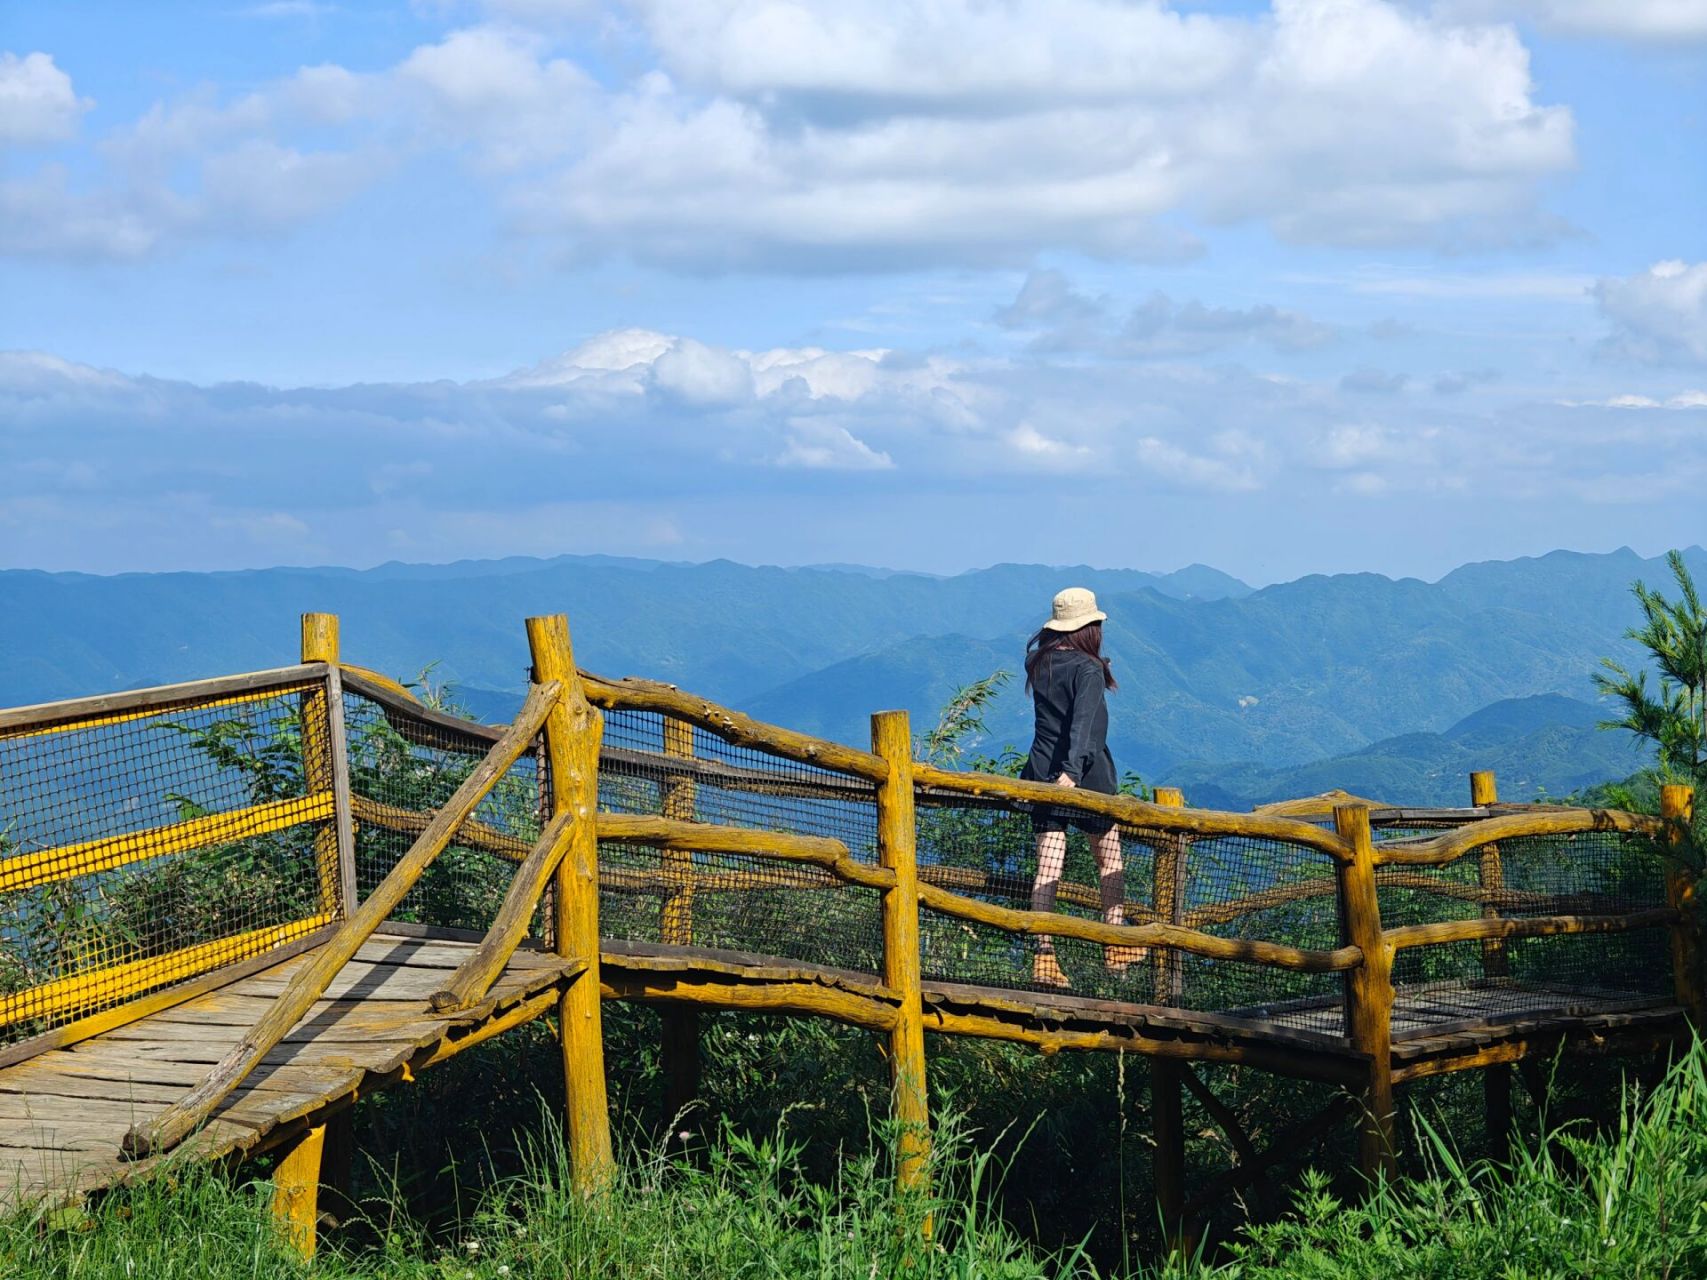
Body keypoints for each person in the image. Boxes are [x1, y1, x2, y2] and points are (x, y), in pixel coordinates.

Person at [1021, 587, 1144, 989]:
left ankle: (1043, 956)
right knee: (1109, 861)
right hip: (1086, 778)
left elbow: (1055, 724)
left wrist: (1056, 774)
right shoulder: (1088, 669)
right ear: (1089, 627)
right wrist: (1072, 773)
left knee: (1048, 865)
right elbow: (1083, 725)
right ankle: (1115, 943)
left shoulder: (1037, 662)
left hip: (1041, 771)